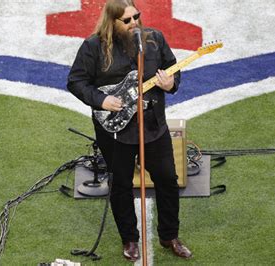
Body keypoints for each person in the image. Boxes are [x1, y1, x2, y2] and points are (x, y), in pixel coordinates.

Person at [67, 0, 192, 261]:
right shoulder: (93, 47)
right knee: (121, 185)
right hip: (115, 132)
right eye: (127, 20)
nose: (134, 23)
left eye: (136, 16)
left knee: (168, 179)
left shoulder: (154, 39)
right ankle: (130, 238)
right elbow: (76, 81)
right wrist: (101, 100)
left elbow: (173, 68)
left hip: (153, 126)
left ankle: (170, 235)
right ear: (112, 21)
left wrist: (170, 84)